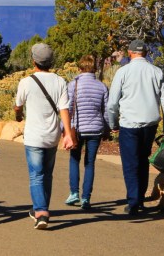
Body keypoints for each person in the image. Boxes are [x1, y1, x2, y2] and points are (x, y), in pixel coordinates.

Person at [107, 39, 164, 216]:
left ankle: (134, 202)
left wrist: (113, 124)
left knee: (130, 163)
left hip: (129, 124)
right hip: (150, 124)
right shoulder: (157, 71)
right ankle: (140, 199)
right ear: (145, 53)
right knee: (143, 160)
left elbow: (112, 103)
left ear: (130, 53)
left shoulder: (123, 72)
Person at [14, 43, 75, 230]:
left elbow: (18, 105)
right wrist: (68, 133)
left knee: (36, 175)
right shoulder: (60, 81)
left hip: (33, 135)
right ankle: (41, 209)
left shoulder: (26, 82)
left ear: (33, 61)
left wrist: (18, 114)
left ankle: (41, 212)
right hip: (52, 135)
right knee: (47, 174)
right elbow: (64, 109)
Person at [65, 54, 110, 210]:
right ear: (94, 69)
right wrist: (107, 128)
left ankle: (74, 193)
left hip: (76, 129)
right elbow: (106, 111)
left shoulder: (72, 85)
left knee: (74, 159)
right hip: (95, 129)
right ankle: (86, 198)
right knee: (90, 163)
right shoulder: (102, 86)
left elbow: (68, 108)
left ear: (80, 68)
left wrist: (65, 129)